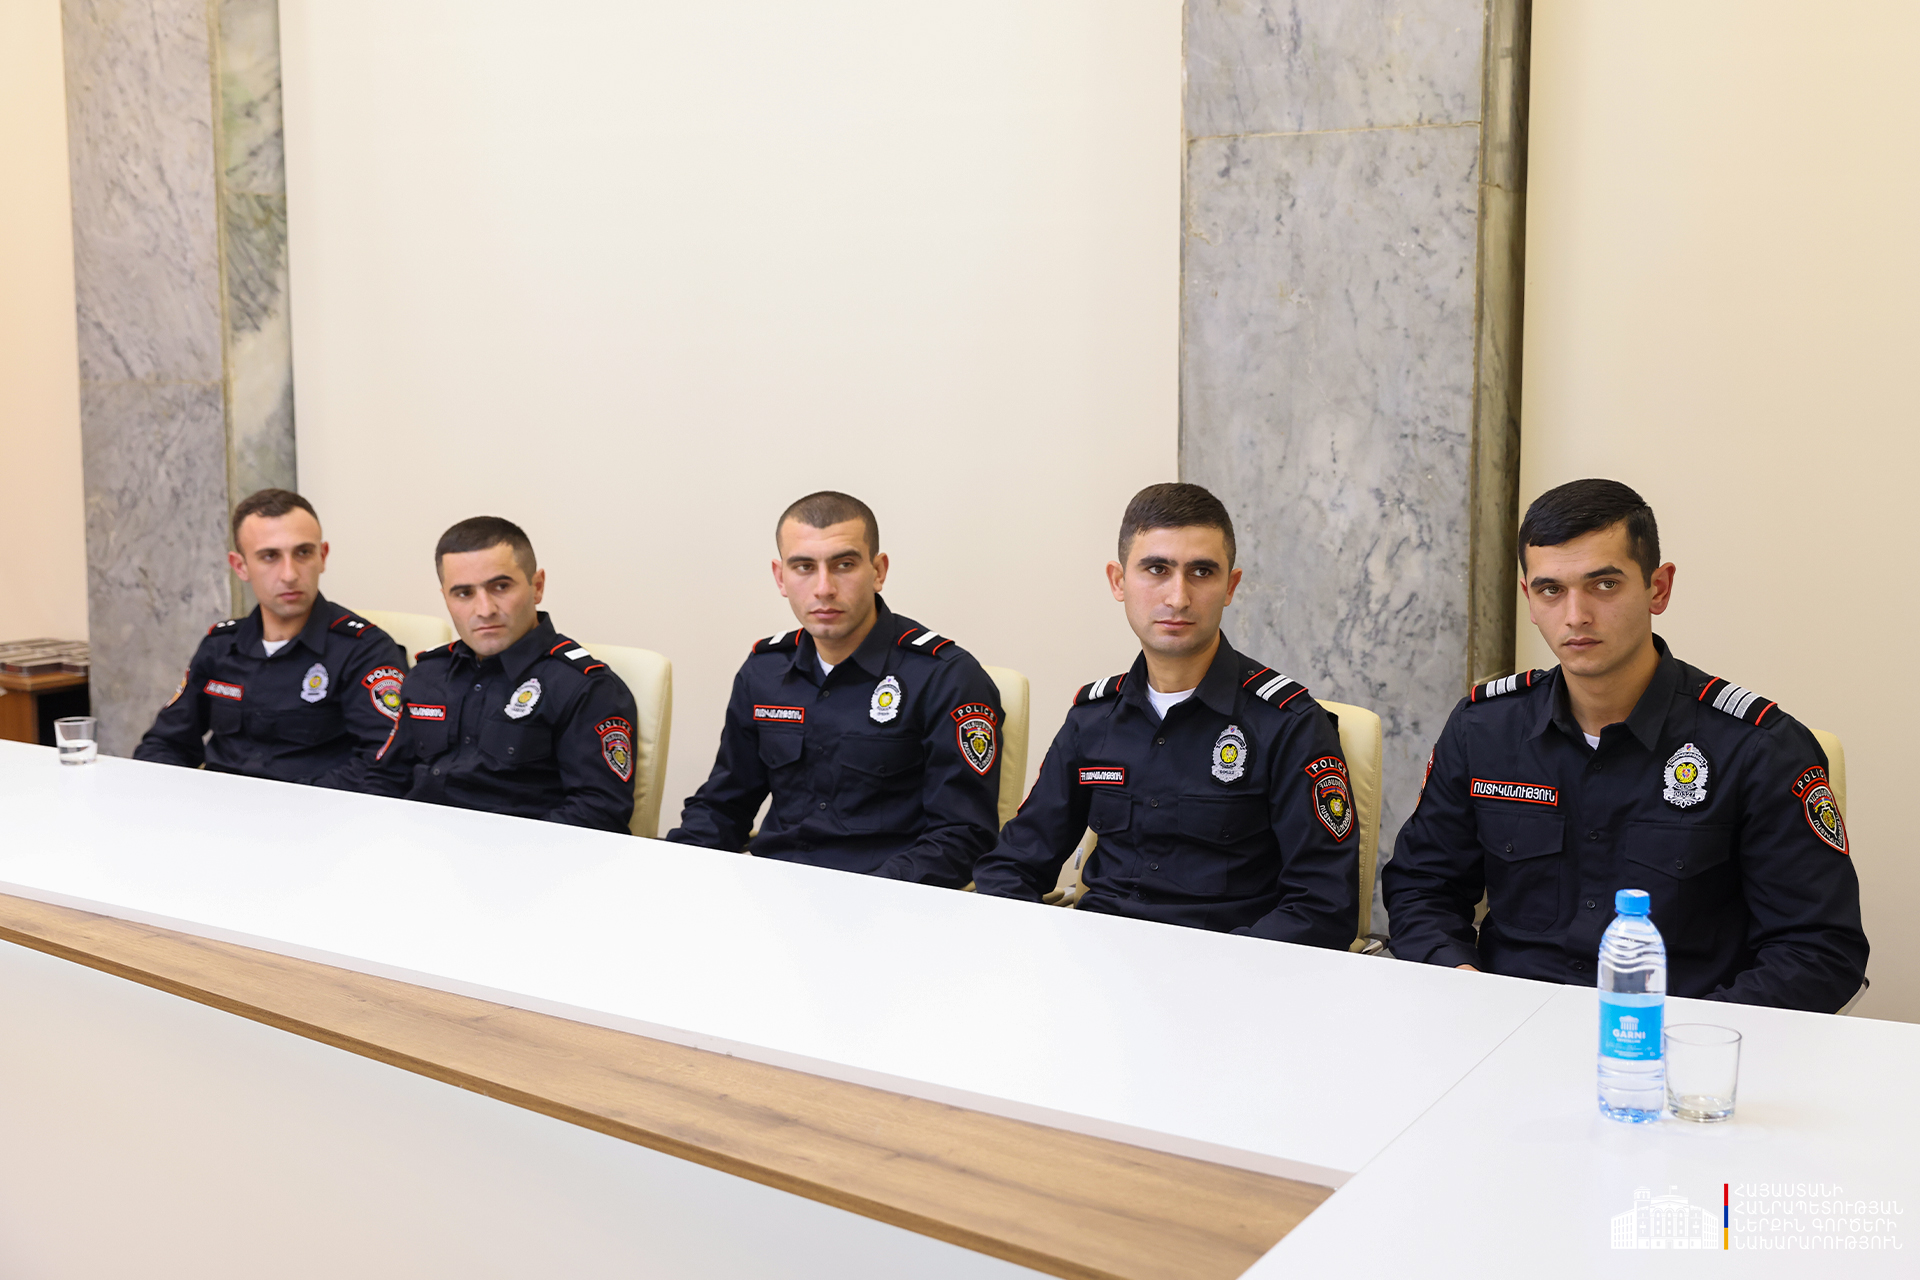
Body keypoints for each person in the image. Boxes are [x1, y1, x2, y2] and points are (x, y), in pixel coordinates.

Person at [1383, 479, 1867, 1012]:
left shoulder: (1758, 747)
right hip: (1503, 1023)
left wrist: (1689, 1037)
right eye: (1551, 590)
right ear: (1529, 599)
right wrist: (1461, 983)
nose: (1576, 615)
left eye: (1604, 584)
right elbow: (1422, 887)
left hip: (1676, 1035)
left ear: (1658, 588)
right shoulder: (1484, 728)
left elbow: (1819, 950)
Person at [972, 483, 1359, 945]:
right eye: (1157, 569)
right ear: (1119, 582)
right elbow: (1013, 865)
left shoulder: (1288, 724)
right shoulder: (1093, 718)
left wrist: (1222, 970)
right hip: (1098, 959)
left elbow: (1323, 906)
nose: (1178, 597)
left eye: (1202, 572)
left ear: (1230, 587)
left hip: (1227, 967)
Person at [666, 491, 1002, 886]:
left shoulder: (945, 677)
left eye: (844, 565)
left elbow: (963, 836)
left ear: (878, 571)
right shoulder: (764, 671)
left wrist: (858, 896)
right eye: (804, 567)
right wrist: (666, 869)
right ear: (781, 577)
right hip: (774, 892)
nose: (824, 588)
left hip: (889, 901)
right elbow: (724, 807)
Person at [352, 517, 637, 832]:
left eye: (500, 587)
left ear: (537, 586)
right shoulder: (428, 674)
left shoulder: (584, 687)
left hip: (523, 854)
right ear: (446, 598)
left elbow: (598, 813)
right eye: (464, 593)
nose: (484, 609)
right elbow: (386, 778)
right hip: (418, 844)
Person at [134, 489, 405, 785]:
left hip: (316, 809)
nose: (289, 574)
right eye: (270, 556)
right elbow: (165, 744)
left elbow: (384, 767)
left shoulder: (365, 650)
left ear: (322, 556)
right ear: (241, 566)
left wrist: (286, 806)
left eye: (303, 552)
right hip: (218, 806)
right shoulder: (220, 646)